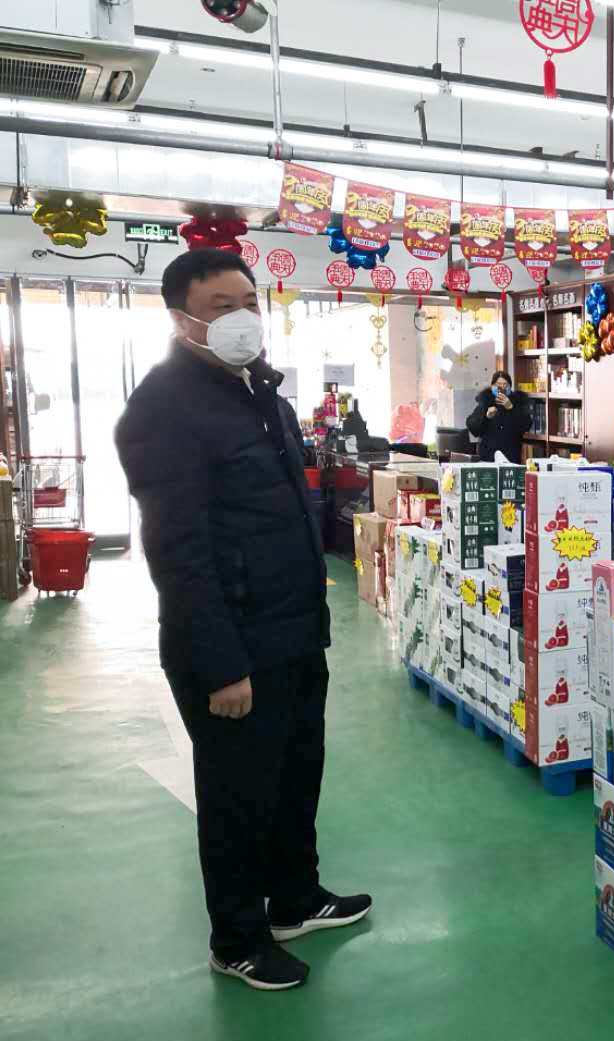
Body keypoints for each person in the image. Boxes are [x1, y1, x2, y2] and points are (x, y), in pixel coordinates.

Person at [115, 249, 371, 992]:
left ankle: (295, 897)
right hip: (233, 645)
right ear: (182, 320)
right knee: (237, 796)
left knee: (295, 774)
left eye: (250, 303)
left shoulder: (263, 392)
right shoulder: (163, 409)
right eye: (222, 307)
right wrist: (220, 663)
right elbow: (178, 550)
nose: (243, 319)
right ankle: (236, 937)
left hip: (294, 629)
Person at [465, 371, 531, 462]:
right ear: (492, 386)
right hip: (488, 456)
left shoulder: (518, 402)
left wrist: (511, 408)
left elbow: (526, 425)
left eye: (505, 385)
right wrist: (486, 417)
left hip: (510, 456)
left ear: (510, 387)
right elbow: (473, 428)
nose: (502, 388)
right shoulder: (485, 402)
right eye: (498, 385)